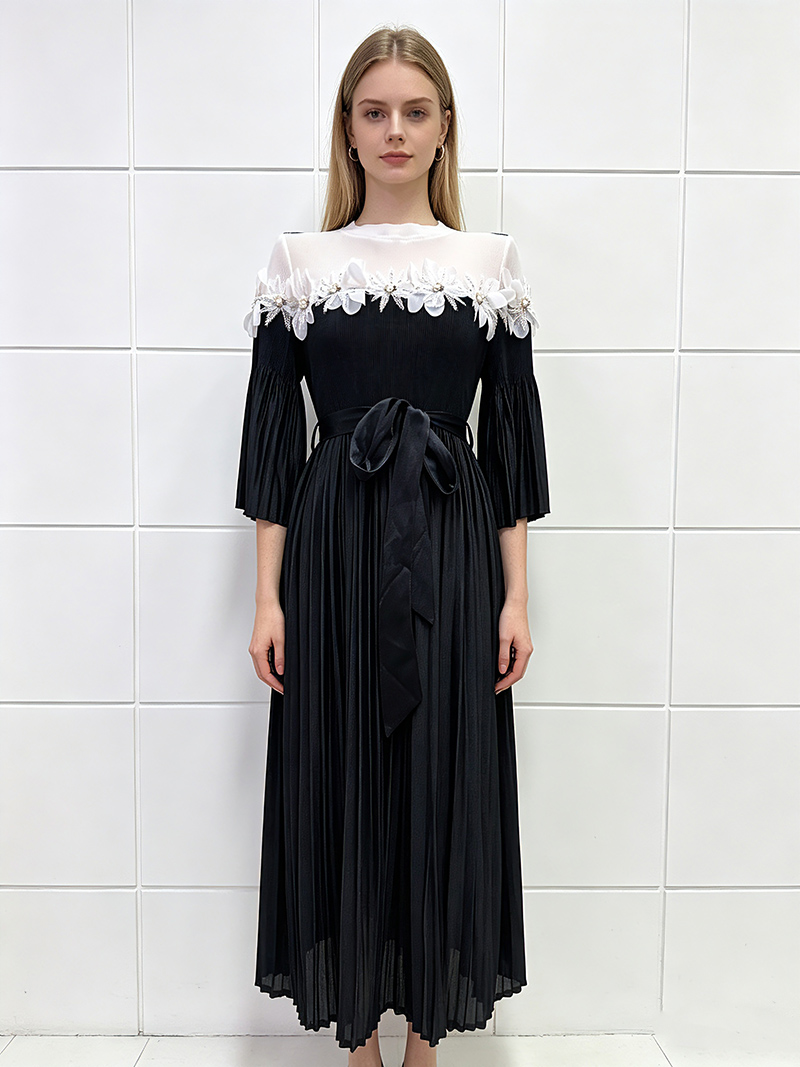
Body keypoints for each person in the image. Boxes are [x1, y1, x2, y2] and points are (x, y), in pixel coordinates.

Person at [236, 23, 550, 1067]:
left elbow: (510, 446)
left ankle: (424, 1039)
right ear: (348, 126)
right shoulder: (300, 263)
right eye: (374, 111)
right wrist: (267, 598)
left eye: (415, 111)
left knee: (442, 770)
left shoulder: (489, 264)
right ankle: (357, 1041)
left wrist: (515, 597)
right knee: (340, 767)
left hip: (451, 545)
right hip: (331, 548)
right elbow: (273, 443)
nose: (395, 130)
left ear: (444, 125)